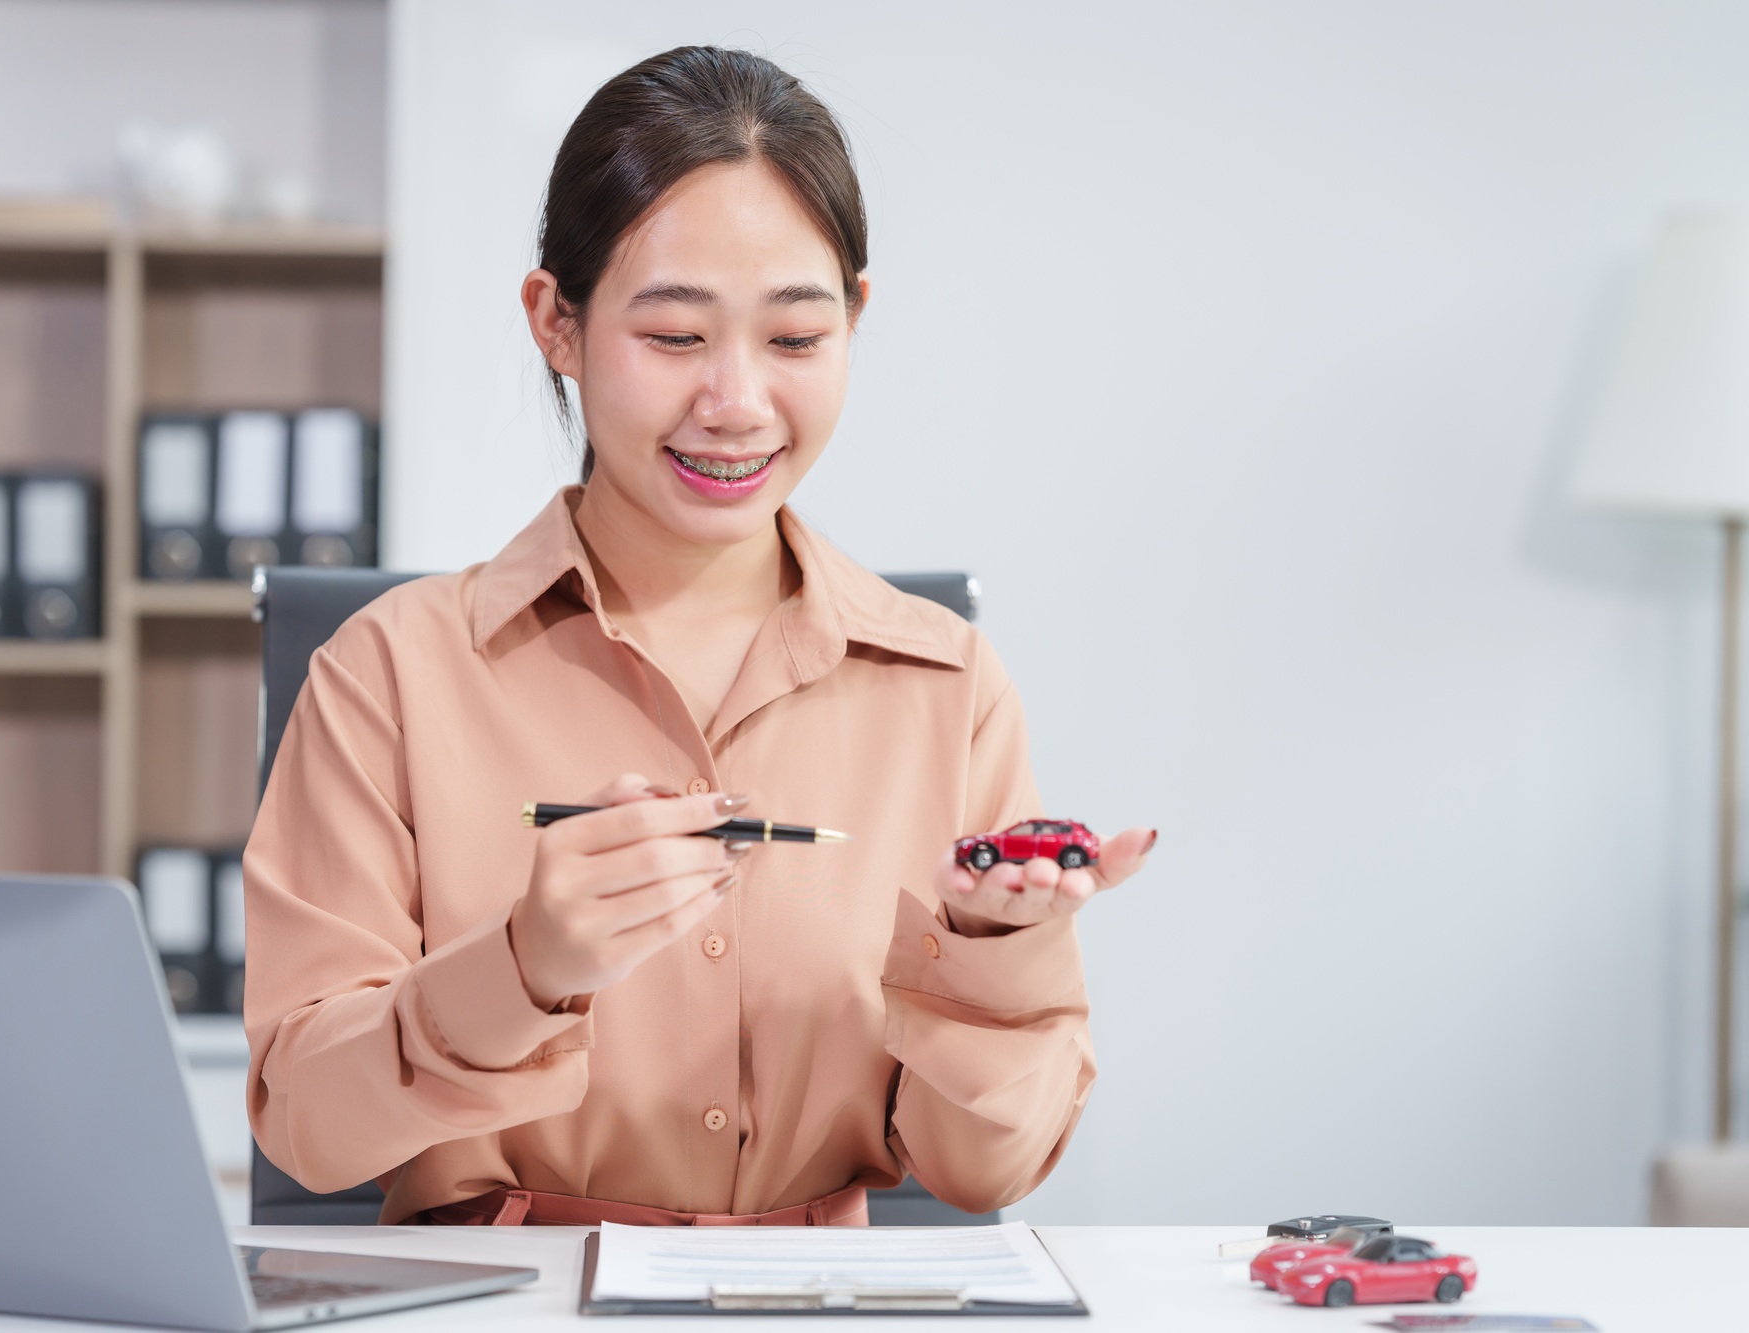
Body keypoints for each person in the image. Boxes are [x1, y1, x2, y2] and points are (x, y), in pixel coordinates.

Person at [244, 45, 1154, 1228]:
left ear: (853, 323)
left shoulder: (946, 685)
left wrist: (986, 957)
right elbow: (307, 1125)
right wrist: (522, 968)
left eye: (793, 340)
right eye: (674, 337)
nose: (735, 402)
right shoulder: (388, 674)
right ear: (554, 323)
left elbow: (986, 1173)